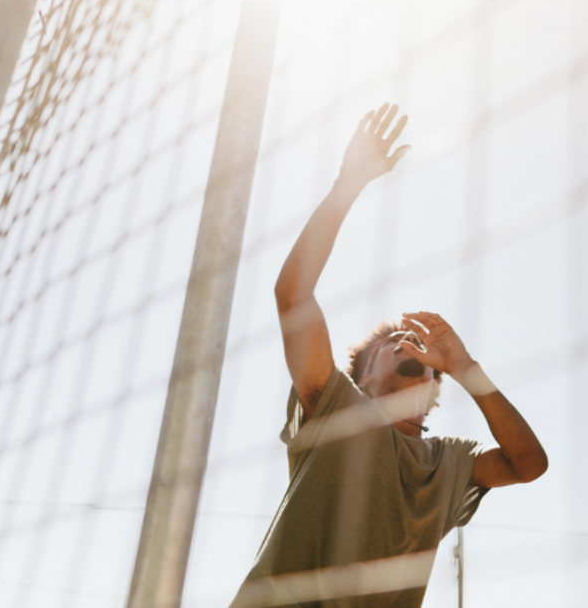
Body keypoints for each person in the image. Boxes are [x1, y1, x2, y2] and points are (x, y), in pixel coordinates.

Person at [232, 104, 548, 608]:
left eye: (424, 350)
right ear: (362, 376)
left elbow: (530, 464)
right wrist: (347, 184)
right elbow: (292, 296)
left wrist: (465, 368)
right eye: (395, 343)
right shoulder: (337, 407)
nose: (413, 347)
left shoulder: (449, 462)